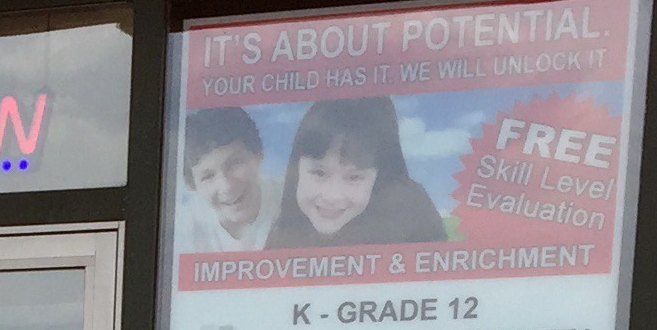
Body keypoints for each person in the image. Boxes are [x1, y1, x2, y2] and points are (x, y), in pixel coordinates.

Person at [266, 98, 451, 247]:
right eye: (319, 173)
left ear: (380, 179)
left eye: (354, 177)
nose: (332, 196)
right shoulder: (284, 233)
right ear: (296, 170)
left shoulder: (414, 228)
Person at [174, 106, 269, 253]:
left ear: (258, 154)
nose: (227, 186)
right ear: (192, 184)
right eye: (208, 177)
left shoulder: (294, 201)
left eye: (235, 163)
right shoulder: (182, 228)